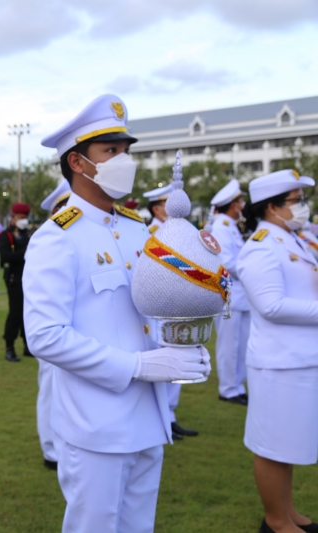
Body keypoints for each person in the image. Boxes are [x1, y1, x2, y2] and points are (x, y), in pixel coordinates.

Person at [24, 94, 210, 533]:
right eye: (111, 152)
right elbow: (45, 336)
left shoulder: (135, 228)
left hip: (149, 416)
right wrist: (137, 365)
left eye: (126, 151)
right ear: (77, 162)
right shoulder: (56, 237)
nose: (124, 161)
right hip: (96, 425)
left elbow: (153, 306)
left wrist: (182, 346)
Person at [237, 169, 318, 533]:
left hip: (300, 359)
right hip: (278, 363)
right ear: (271, 207)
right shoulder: (260, 247)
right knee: (272, 446)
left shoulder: (294, 240)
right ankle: (275, 521)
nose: (302, 206)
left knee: (290, 442)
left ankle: (288, 512)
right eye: (296, 200)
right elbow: (270, 305)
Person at [142, 183, 200, 440]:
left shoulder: (180, 231)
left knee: (180, 355)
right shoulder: (153, 231)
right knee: (163, 358)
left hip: (177, 302)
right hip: (160, 306)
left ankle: (171, 415)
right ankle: (163, 415)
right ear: (157, 208)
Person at [34, 179, 72, 471]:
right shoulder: (49, 238)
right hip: (53, 328)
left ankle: (67, 444)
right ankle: (51, 449)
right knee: (51, 386)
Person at [210, 179, 251, 406]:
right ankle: (227, 389)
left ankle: (237, 386)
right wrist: (252, 269)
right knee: (229, 345)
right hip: (228, 295)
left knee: (242, 344)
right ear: (233, 205)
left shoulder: (231, 227)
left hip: (240, 295)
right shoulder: (221, 228)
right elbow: (226, 263)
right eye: (240, 201)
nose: (243, 205)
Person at [0, 203, 32, 363]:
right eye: (21, 217)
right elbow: (5, 256)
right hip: (14, 277)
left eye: (26, 217)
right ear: (13, 217)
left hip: (29, 276)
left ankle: (28, 345)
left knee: (29, 312)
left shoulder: (28, 234)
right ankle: (10, 347)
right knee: (16, 312)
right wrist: (25, 252)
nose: (24, 220)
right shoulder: (7, 235)